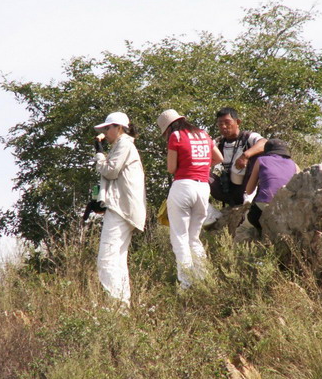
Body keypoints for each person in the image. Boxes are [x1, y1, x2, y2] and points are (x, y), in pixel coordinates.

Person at [157, 109, 223, 288]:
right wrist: (201, 166)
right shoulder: (203, 134)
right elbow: (219, 158)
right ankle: (204, 279)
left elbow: (171, 168)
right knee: (194, 238)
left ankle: (186, 284)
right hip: (203, 188)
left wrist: (186, 165)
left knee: (179, 237)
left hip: (183, 187)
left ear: (168, 128)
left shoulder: (176, 136)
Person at [94, 111, 146, 308]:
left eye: (108, 128)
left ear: (119, 128)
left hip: (121, 209)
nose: (106, 132)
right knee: (117, 259)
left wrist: (99, 153)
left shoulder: (124, 144)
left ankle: (114, 306)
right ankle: (122, 306)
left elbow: (110, 171)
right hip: (122, 208)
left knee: (106, 258)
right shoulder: (121, 146)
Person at [210, 107, 267, 207]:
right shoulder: (219, 142)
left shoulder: (247, 137)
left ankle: (249, 197)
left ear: (238, 122)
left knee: (257, 157)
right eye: (220, 124)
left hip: (247, 185)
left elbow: (264, 143)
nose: (224, 126)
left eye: (227, 122)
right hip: (228, 188)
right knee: (200, 173)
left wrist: (245, 156)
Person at [243, 139, 300, 235]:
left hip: (262, 207)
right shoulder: (294, 165)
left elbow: (249, 190)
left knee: (243, 228)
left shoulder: (261, 160)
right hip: (287, 209)